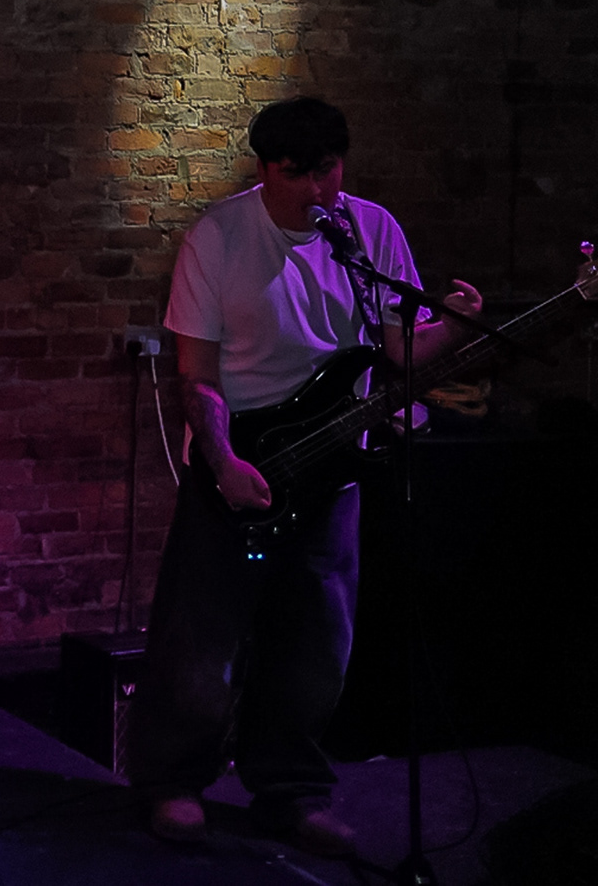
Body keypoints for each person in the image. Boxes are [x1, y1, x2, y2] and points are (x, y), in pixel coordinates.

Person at [132, 96, 481, 857]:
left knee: (316, 643)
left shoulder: (371, 232)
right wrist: (224, 463)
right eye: (296, 174)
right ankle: (172, 781)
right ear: (265, 169)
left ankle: (291, 791)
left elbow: (398, 352)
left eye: (327, 170)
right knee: (201, 640)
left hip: (334, 468)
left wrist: (454, 324)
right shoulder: (218, 237)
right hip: (240, 456)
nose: (316, 189)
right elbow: (197, 376)